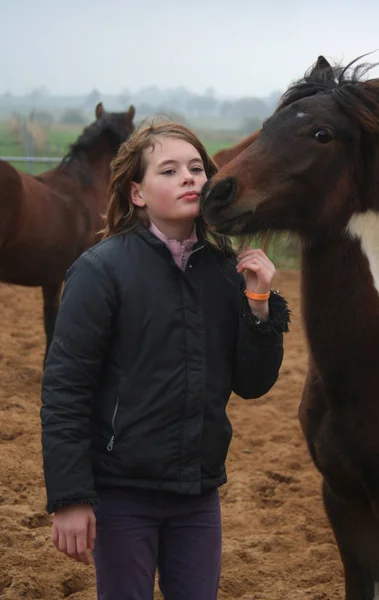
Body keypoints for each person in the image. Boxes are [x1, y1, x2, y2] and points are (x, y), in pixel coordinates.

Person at [41, 119, 290, 600]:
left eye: (197, 168)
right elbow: (65, 391)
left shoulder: (225, 272)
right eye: (170, 170)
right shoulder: (100, 271)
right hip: (122, 495)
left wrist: (259, 304)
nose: (190, 178)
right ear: (136, 193)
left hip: (198, 497)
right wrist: (70, 498)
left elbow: (253, 383)